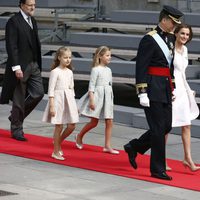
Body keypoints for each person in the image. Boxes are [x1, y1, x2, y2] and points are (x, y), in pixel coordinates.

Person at [123, 5, 183, 181]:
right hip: (151, 87)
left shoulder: (170, 38)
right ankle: (158, 169)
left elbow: (169, 66)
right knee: (158, 130)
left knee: (166, 126)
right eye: (172, 22)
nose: (174, 26)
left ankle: (134, 146)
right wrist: (142, 92)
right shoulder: (149, 39)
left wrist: (171, 85)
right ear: (164, 19)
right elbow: (141, 66)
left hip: (164, 87)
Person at [0, 0, 44, 141]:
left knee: (38, 93)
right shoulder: (14, 21)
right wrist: (16, 67)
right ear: (21, 5)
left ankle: (15, 117)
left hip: (34, 65)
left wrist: (37, 63)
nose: (33, 7)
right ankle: (17, 130)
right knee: (18, 99)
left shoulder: (33, 21)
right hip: (20, 67)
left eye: (34, 5)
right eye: (30, 5)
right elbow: (11, 46)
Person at [166, 24, 200, 171]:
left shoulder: (185, 49)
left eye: (187, 34)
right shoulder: (170, 49)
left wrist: (188, 89)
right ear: (176, 33)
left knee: (186, 125)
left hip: (182, 90)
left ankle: (188, 158)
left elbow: (182, 73)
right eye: (182, 33)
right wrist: (169, 90)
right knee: (166, 127)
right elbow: (166, 71)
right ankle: (161, 159)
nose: (185, 36)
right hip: (171, 89)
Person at [75, 46, 119, 155]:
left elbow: (110, 86)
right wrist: (91, 100)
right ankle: (79, 136)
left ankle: (107, 146)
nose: (110, 57)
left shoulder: (109, 70)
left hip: (108, 97)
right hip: (98, 97)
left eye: (110, 55)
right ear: (100, 56)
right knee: (94, 122)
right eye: (107, 55)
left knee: (109, 121)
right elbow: (91, 86)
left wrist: (111, 99)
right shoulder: (95, 70)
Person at [42, 47, 79, 160]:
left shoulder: (70, 72)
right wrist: (52, 105)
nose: (68, 60)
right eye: (65, 57)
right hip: (58, 100)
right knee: (59, 126)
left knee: (72, 125)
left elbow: (71, 89)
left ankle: (57, 142)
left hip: (69, 99)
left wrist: (74, 105)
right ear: (59, 58)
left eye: (69, 57)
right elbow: (51, 90)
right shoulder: (55, 72)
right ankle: (55, 151)